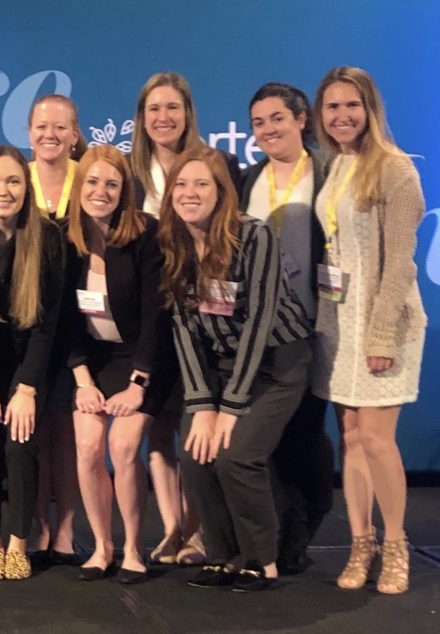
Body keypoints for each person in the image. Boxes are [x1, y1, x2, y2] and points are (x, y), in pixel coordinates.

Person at [160, 146, 313, 591]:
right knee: (194, 453)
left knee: (236, 455)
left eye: (201, 184)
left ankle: (261, 558)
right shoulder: (174, 241)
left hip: (276, 364)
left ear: (221, 192)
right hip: (218, 368)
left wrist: (231, 404)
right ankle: (223, 553)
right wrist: (202, 403)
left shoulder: (254, 235)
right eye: (181, 185)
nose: (190, 193)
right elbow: (183, 325)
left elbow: (259, 322)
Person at [312, 67, 426, 595]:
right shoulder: (335, 166)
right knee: (352, 438)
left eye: (351, 106)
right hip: (340, 322)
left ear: (370, 109)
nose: (342, 116)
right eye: (332, 107)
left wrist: (381, 336)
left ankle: (397, 545)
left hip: (385, 323)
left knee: (379, 440)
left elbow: (401, 264)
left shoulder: (397, 169)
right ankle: (362, 543)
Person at [128, 71, 244, 565]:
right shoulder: (129, 174)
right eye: (154, 109)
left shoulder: (219, 164)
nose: (163, 118)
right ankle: (173, 529)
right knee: (158, 427)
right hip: (148, 315)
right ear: (141, 117)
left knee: (198, 424)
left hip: (205, 313)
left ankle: (201, 530)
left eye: (172, 108)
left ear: (188, 112)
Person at [64, 145, 177, 585]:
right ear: (79, 186)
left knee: (124, 447)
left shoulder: (146, 234)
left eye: (112, 184)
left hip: (143, 361)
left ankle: (132, 547)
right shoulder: (64, 238)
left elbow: (156, 315)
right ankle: (101, 546)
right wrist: (81, 380)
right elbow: (62, 319)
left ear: (125, 191)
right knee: (89, 446)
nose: (101, 191)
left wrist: (138, 384)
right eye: (92, 181)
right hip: (92, 361)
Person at [240, 82, 333, 575]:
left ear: (301, 119)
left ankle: (308, 516)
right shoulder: (248, 178)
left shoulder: (328, 172)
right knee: (266, 437)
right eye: (258, 122)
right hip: (262, 332)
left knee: (305, 431)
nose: (267, 130)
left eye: (276, 118)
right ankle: (282, 526)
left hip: (318, 323)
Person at [0, 145, 63, 580]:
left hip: (31, 366)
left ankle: (19, 541)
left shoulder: (50, 238)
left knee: (20, 445)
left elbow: (48, 324)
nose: (3, 191)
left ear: (27, 187)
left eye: (13, 181)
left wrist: (26, 389)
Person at [27, 94, 83, 562]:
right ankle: (37, 522)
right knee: (33, 432)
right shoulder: (15, 182)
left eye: (61, 127)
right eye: (42, 126)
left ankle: (66, 525)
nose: (51, 134)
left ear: (76, 134)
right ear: (29, 133)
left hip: (79, 329)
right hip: (27, 329)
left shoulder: (89, 182)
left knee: (65, 434)